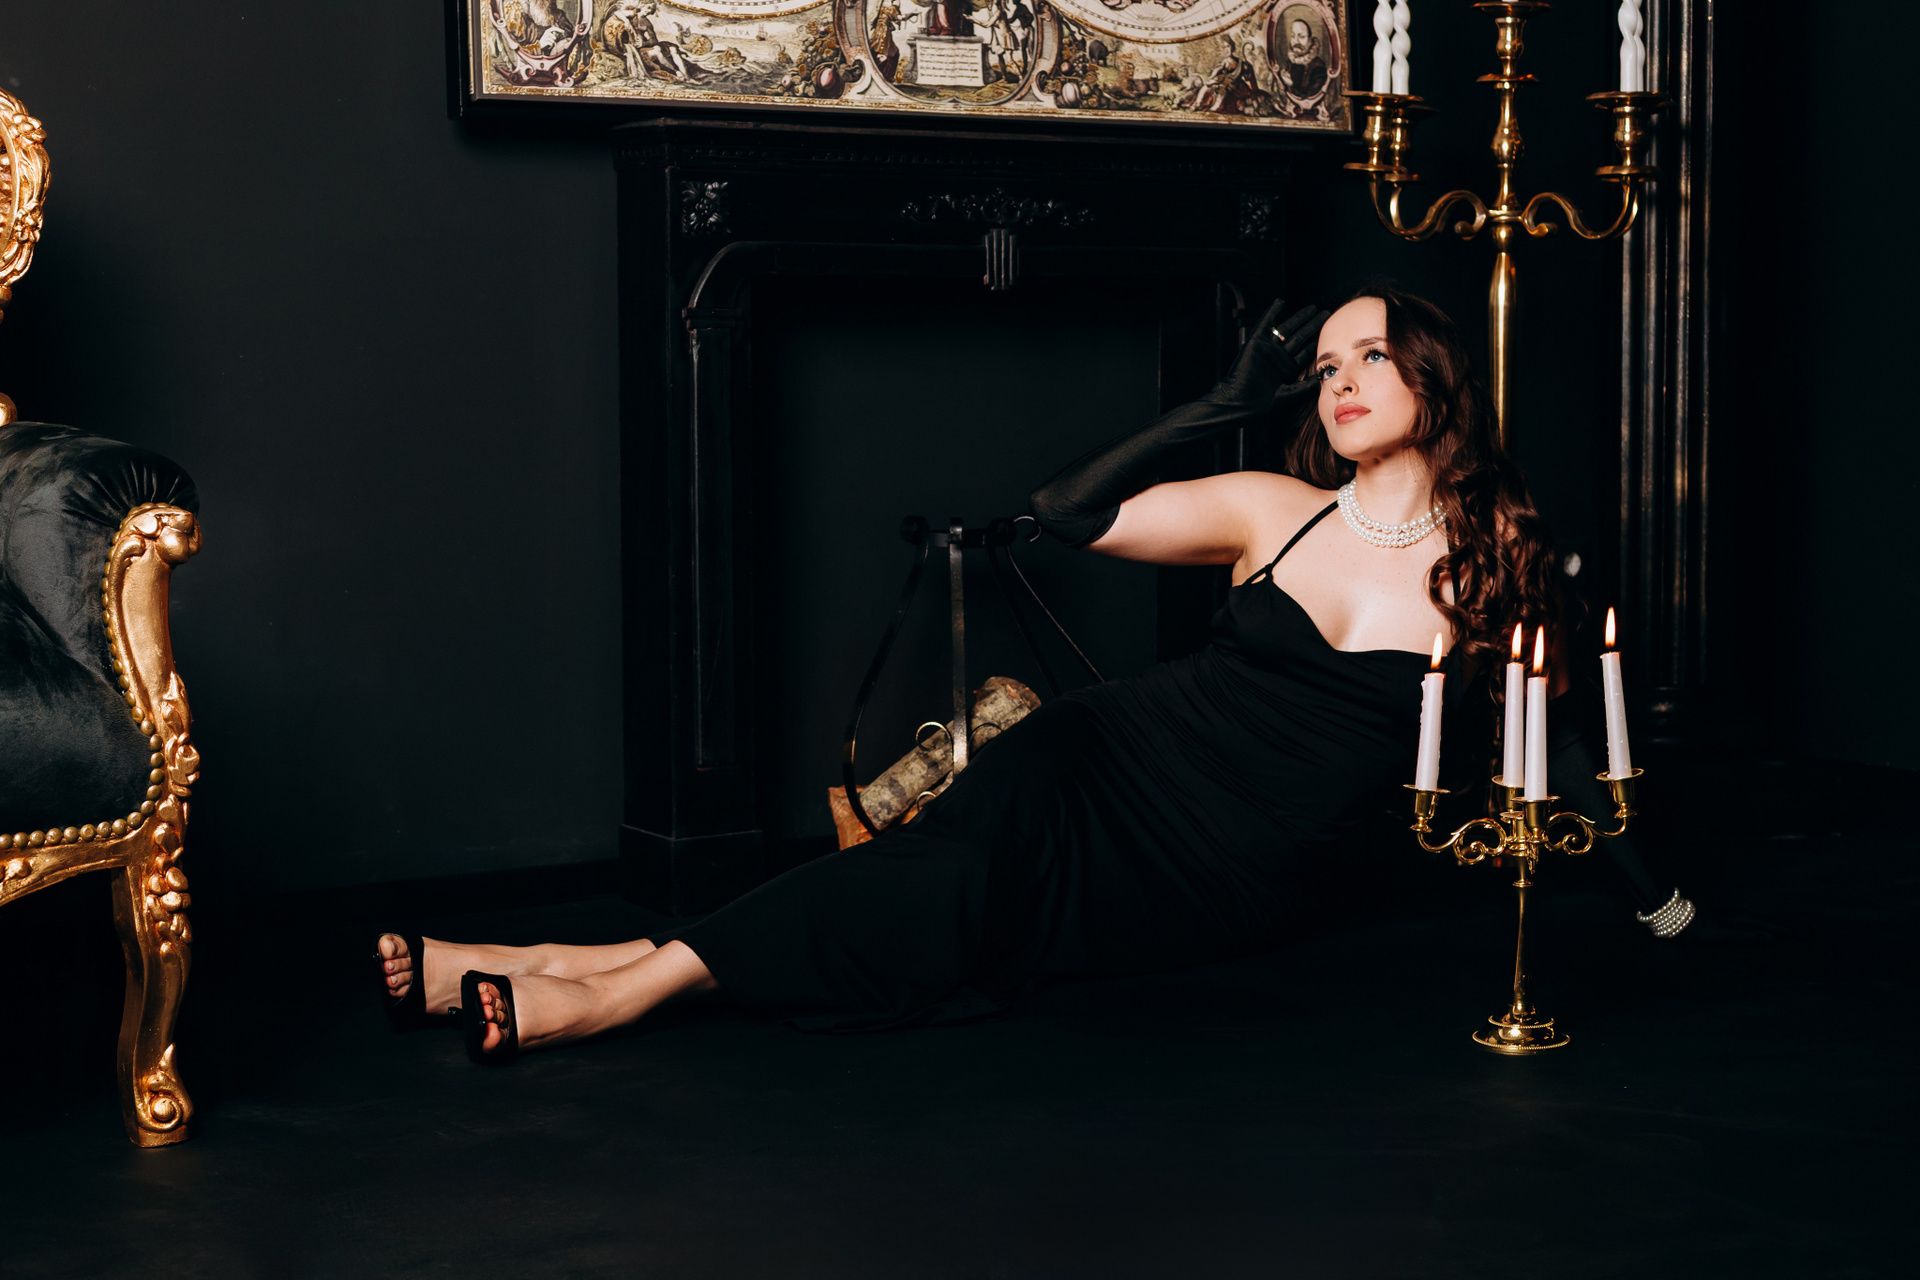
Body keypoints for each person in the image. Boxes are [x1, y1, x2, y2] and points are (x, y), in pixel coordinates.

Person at [376, 287, 1695, 1063]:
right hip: (1111, 755)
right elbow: (1063, 511)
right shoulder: (1271, 506)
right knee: (942, 874)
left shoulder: (1497, 557)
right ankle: (603, 998)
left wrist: (1658, 900)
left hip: (1233, 871)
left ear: (1435, 374)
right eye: (1324, 366)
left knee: (942, 901)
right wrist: (1218, 406)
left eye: (1371, 356)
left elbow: (1562, 737)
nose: (1340, 382)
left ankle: (556, 959)